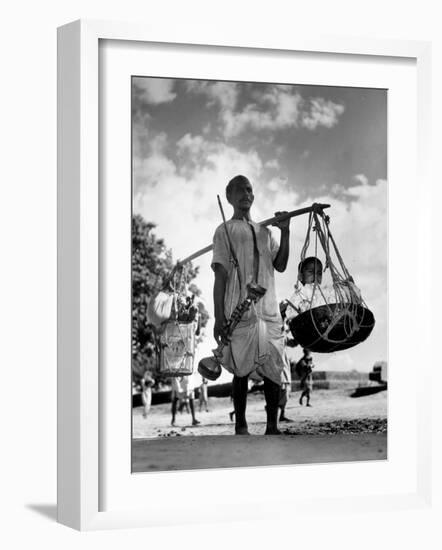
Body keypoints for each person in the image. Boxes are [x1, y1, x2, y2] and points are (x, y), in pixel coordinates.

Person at [212, 174, 291, 435]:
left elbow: (280, 265)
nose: (246, 194)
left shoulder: (265, 231)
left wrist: (285, 230)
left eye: (249, 190)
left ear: (253, 196)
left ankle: (272, 425)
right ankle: (241, 425)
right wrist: (218, 316)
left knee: (273, 367)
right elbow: (220, 275)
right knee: (240, 367)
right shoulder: (224, 230)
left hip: (268, 309)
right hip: (239, 308)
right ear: (230, 197)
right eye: (240, 190)